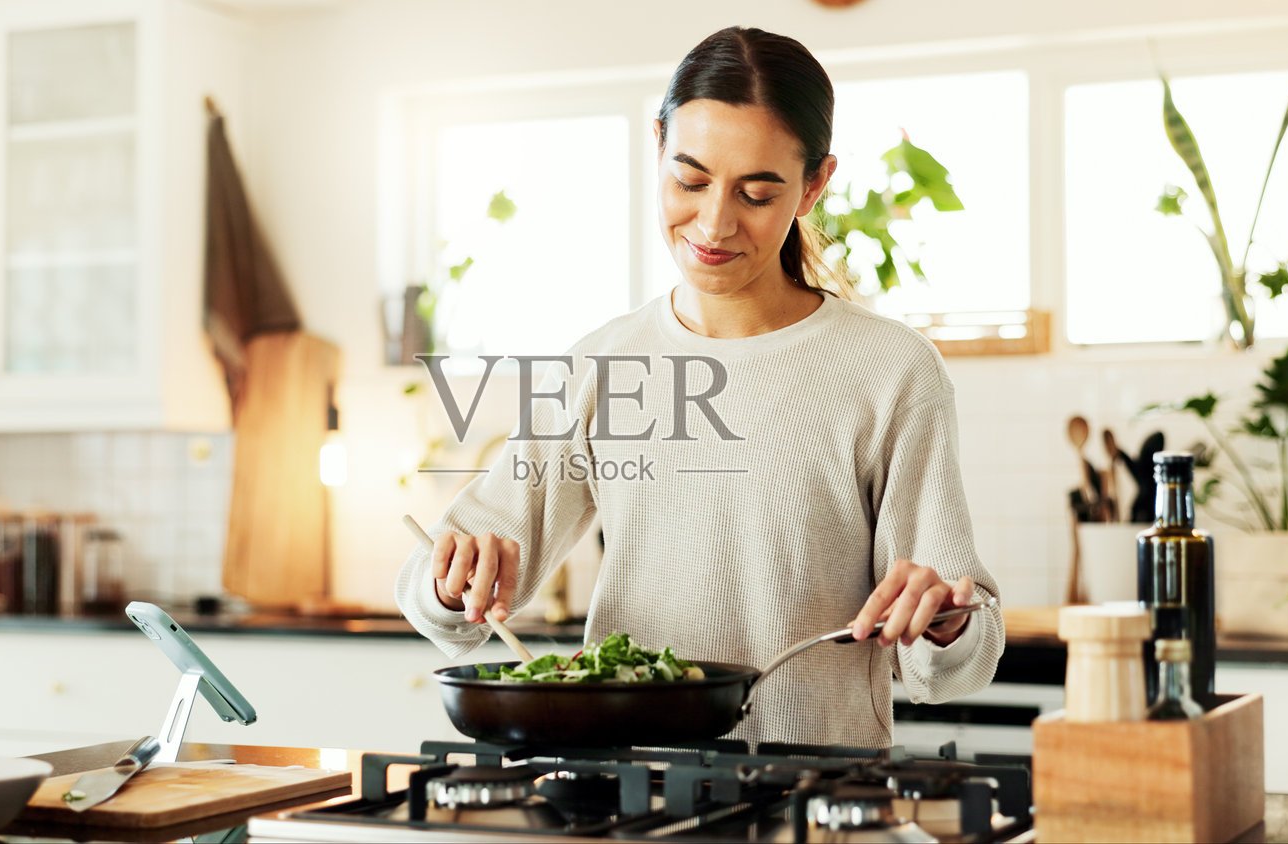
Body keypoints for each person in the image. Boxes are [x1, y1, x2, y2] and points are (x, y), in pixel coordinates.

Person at [396, 25, 1002, 747]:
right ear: (658, 146)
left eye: (756, 192)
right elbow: (438, 583)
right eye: (689, 180)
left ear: (814, 185)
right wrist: (450, 577)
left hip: (816, 796)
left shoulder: (890, 370)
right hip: (626, 790)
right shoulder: (601, 364)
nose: (714, 223)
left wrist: (948, 620)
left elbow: (956, 664)